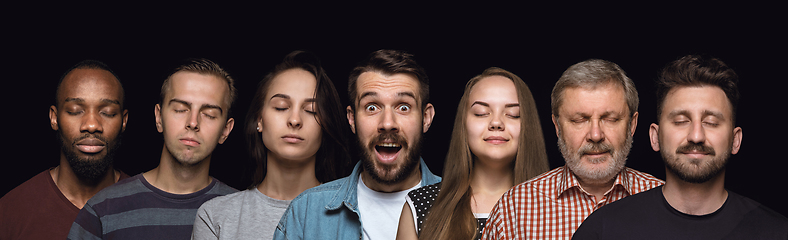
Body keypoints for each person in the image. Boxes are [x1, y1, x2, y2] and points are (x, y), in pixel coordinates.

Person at [572, 55, 788, 239]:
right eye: (680, 121)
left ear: (736, 140)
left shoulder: (777, 233)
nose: (696, 136)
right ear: (655, 137)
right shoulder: (603, 231)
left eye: (711, 122)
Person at [482, 59, 665, 240]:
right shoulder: (513, 212)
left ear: (632, 125)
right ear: (557, 127)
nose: (595, 135)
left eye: (610, 119)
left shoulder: (667, 201)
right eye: (579, 120)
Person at [273, 49, 441, 240]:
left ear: (426, 118)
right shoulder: (306, 212)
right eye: (372, 107)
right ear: (352, 119)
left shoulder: (465, 206)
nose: (387, 123)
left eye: (403, 107)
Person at [67, 58, 238, 239]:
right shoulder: (102, 210)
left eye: (209, 114)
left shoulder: (242, 212)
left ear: (225, 130)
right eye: (180, 109)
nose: (193, 122)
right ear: (158, 118)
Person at [191, 51, 352, 239]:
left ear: (325, 125)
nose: (294, 120)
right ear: (259, 119)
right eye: (281, 107)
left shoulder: (350, 214)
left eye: (311, 110)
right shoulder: (215, 216)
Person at [396, 67, 551, 240]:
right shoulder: (421, 205)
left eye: (513, 114)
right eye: (481, 113)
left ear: (529, 127)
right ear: (464, 124)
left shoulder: (558, 209)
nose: (496, 122)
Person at [0, 60, 131, 240]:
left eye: (107, 112)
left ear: (124, 121)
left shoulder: (150, 208)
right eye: (75, 111)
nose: (91, 125)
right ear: (54, 118)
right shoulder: (11, 210)